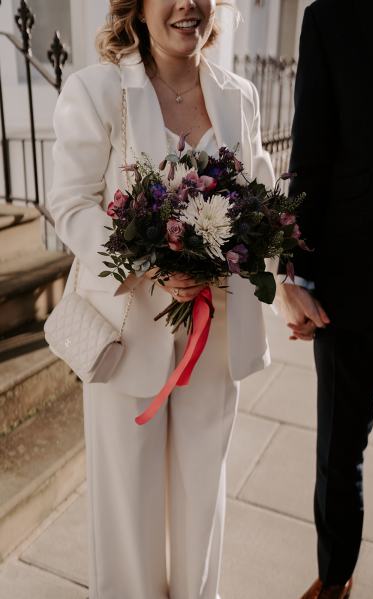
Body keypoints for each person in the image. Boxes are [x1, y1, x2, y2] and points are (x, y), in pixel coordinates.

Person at [48, 1, 274, 598]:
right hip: (126, 337)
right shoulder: (96, 92)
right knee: (128, 513)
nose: (187, 5)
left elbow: (263, 197)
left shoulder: (240, 96)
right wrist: (154, 262)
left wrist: (253, 255)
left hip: (216, 337)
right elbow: (70, 203)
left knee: (204, 499)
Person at [277, 0, 373, 597]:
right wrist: (294, 270)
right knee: (338, 448)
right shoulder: (331, 15)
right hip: (353, 268)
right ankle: (336, 576)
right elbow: (312, 152)